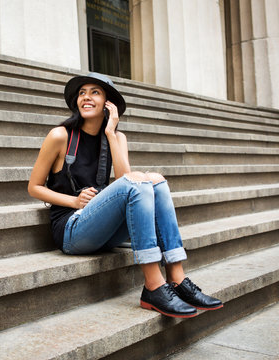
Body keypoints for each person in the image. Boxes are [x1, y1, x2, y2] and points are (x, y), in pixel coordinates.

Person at [28, 72, 222, 318]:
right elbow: (34, 187)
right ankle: (153, 285)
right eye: (82, 93)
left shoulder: (117, 137)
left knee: (156, 182)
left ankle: (177, 277)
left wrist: (111, 134)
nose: (86, 98)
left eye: (94, 92)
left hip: (101, 229)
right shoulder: (61, 136)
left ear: (109, 104)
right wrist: (74, 201)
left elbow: (124, 180)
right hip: (71, 228)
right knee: (138, 181)